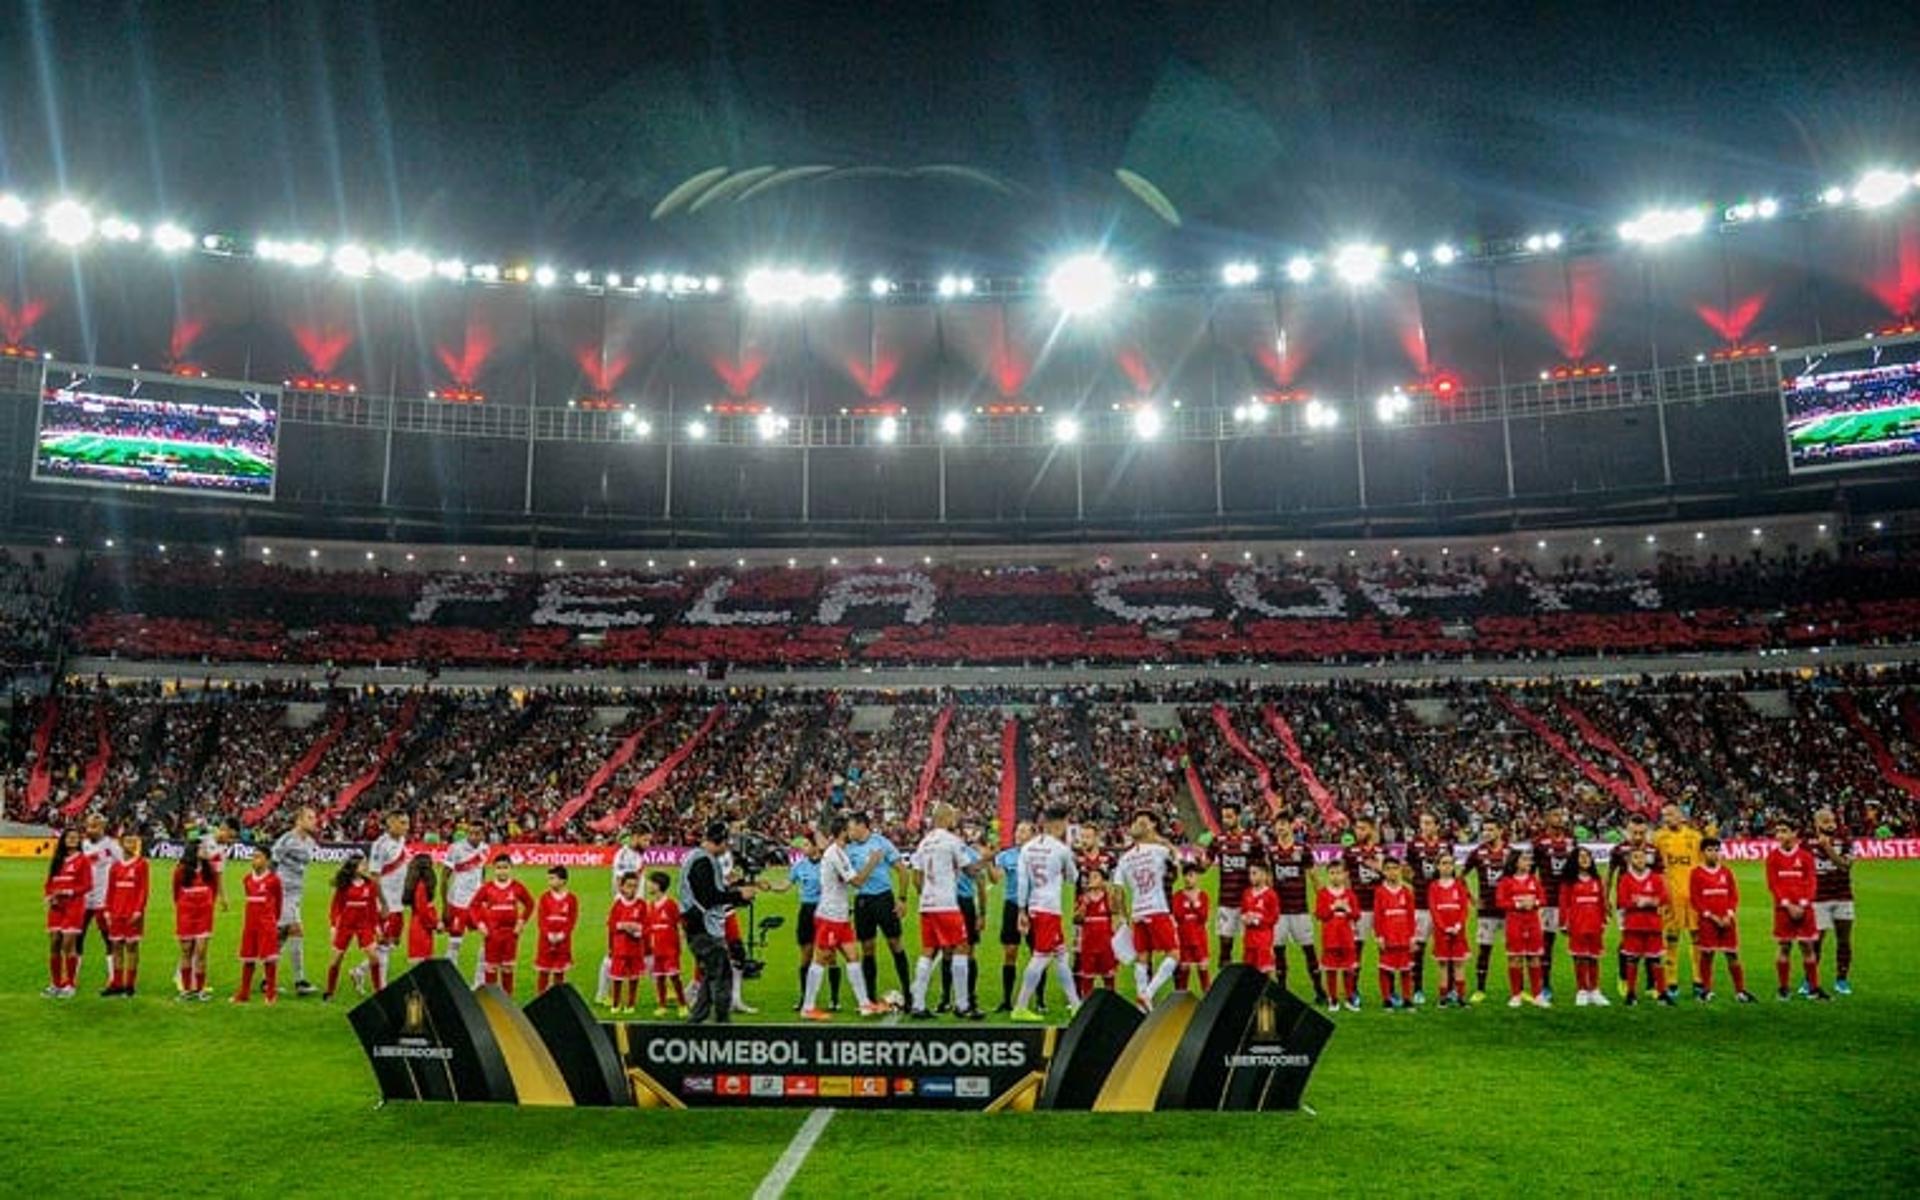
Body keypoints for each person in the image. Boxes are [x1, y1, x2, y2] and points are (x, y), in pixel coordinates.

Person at [799, 816, 887, 1020]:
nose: (852, 832)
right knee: (821, 959)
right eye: (849, 829)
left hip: (840, 915)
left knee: (853, 957)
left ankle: (865, 1004)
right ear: (842, 833)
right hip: (830, 915)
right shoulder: (835, 853)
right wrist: (872, 862)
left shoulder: (838, 852)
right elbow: (856, 882)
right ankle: (808, 1007)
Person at [683, 820, 764, 1024]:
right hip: (704, 926)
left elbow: (712, 891)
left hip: (699, 925)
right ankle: (722, 1022)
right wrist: (738, 895)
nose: (727, 848)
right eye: (726, 843)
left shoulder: (699, 858)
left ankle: (697, 1019)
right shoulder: (703, 861)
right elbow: (709, 897)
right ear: (719, 841)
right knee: (722, 975)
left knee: (711, 974)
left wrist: (740, 889)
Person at [908, 802, 982, 1020]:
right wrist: (987, 858)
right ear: (947, 818)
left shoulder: (924, 842)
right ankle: (962, 1004)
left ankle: (918, 1004)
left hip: (927, 905)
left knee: (928, 950)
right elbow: (970, 870)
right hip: (946, 904)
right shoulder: (952, 841)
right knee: (962, 947)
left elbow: (916, 876)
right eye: (953, 817)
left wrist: (926, 895)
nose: (955, 821)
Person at [1011, 805, 1081, 1022]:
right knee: (1040, 957)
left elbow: (1022, 882)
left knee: (1061, 955)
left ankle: (1076, 1004)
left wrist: (1022, 910)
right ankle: (1020, 1006)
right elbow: (1073, 877)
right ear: (1058, 824)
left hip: (1034, 905)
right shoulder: (1061, 849)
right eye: (1066, 824)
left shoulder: (1027, 848)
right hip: (1050, 908)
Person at [1116, 809, 1182, 1011]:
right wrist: (1162, 841)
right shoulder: (1158, 851)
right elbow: (1177, 862)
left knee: (1142, 956)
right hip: (1157, 909)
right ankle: (1148, 994)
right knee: (1174, 953)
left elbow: (1117, 891)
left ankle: (1142, 1005)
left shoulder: (1125, 859)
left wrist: (1121, 916)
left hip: (1137, 912)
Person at [845, 811, 912, 1005]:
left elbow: (902, 870)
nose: (849, 831)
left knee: (895, 944)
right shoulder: (849, 849)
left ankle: (908, 993)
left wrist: (902, 899)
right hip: (862, 902)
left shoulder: (881, 843)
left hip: (883, 899)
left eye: (851, 827)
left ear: (862, 826)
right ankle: (870, 996)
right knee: (867, 948)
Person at [1765, 824, 1828, 1001]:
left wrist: (1803, 904)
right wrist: (1788, 905)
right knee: (1784, 946)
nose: (1779, 835)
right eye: (1777, 831)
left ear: (1794, 833)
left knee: (1807, 947)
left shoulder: (1806, 857)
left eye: (1784, 831)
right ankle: (1783, 989)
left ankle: (1814, 989)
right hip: (1783, 910)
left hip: (1804, 909)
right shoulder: (1773, 858)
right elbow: (1773, 884)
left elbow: (1811, 882)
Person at [1690, 837, 1755, 1003]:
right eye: (1710, 850)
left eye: (1717, 850)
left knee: (1732, 954)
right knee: (1707, 954)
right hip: (1707, 921)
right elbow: (1696, 899)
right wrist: (1711, 916)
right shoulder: (1696, 873)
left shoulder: (1726, 872)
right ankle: (1706, 990)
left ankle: (1740, 991)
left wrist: (1729, 914)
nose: (1714, 853)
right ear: (1702, 853)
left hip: (1727, 920)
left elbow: (1733, 896)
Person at [1652, 803, 1706, 1000]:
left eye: (1671, 814)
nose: (1667, 818)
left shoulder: (1695, 837)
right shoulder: (1658, 838)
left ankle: (1699, 981)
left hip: (1693, 896)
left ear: (1681, 816)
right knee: (1671, 939)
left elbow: (1703, 868)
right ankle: (1671, 982)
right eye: (1664, 815)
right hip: (1670, 897)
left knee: (1697, 938)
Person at [1607, 816, 1663, 998]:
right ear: (1628, 831)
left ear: (1646, 832)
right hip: (1626, 905)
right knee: (1627, 941)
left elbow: (1661, 878)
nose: (1638, 836)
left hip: (1650, 904)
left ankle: (1651, 984)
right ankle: (1623, 979)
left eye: (1641, 833)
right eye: (1634, 833)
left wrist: (1662, 901)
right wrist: (1606, 898)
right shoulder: (1619, 850)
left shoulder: (1653, 850)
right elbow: (1609, 875)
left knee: (1652, 942)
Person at [1269, 822, 1324, 1002]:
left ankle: (1319, 990)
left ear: (1290, 827)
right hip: (1279, 911)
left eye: (1283, 825)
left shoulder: (1303, 849)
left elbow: (1314, 877)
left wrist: (1323, 901)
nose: (1280, 828)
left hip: (1300, 909)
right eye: (1278, 826)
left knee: (1309, 949)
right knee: (1279, 950)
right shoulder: (1271, 850)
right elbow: (1269, 879)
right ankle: (1282, 989)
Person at [272, 805, 322, 997]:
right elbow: (273, 861)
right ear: (299, 820)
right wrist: (270, 889)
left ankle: (267, 977)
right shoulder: (287, 839)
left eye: (314, 817)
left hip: (295, 894)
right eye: (310, 817)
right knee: (296, 931)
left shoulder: (310, 842)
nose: (314, 821)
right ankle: (300, 981)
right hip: (283, 892)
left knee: (281, 937)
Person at [1208, 801, 1266, 966]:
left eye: (1229, 816)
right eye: (1224, 817)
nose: (1226, 820)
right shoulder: (1218, 840)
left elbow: (1263, 867)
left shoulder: (1253, 840)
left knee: (1251, 943)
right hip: (1226, 900)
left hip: (1249, 901)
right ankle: (1225, 981)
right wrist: (1193, 864)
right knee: (1225, 943)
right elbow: (1205, 864)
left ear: (1238, 817)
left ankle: (1251, 979)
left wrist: (1265, 892)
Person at [595, 827, 648, 1005]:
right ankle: (604, 993)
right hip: (625, 908)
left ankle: (614, 993)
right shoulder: (624, 855)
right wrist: (625, 909)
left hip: (636, 908)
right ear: (635, 836)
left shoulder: (637, 855)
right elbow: (621, 883)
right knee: (614, 952)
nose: (647, 844)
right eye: (645, 840)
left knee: (641, 950)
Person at [1402, 811, 1450, 1005]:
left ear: (1437, 825)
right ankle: (1417, 989)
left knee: (1447, 948)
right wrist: (1417, 882)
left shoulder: (1446, 845)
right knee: (1418, 947)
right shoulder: (1413, 845)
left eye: (1429, 823)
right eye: (1422, 823)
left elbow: (1450, 872)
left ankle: (1450, 989)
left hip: (1443, 904)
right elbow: (1405, 870)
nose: (1425, 826)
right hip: (1421, 904)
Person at [1615, 845, 1671, 1006]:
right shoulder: (1626, 879)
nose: (1640, 860)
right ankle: (1631, 993)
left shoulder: (1654, 877)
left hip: (1653, 925)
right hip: (1633, 925)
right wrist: (1638, 902)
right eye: (1636, 857)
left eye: (1642, 857)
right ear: (1630, 860)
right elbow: (1622, 901)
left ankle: (1662, 993)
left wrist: (1652, 901)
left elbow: (1664, 897)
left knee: (1655, 960)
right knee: (1632, 959)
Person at [472, 853, 536, 996]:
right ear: (494, 869)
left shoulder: (517, 887)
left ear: (510, 868)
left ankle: (508, 1000)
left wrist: (521, 921)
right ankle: (491, 1000)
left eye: (505, 867)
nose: (502, 871)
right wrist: (480, 924)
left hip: (510, 935)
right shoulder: (487, 887)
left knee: (507, 968)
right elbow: (474, 906)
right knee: (491, 968)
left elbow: (530, 904)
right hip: (492, 934)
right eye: (499, 868)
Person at [1531, 809, 1578, 1001]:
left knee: (1578, 944)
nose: (1561, 818)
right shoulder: (1539, 843)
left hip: (1570, 902)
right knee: (1546, 944)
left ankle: (1584, 986)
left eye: (1562, 815)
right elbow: (1530, 873)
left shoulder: (1571, 841)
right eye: (1556, 815)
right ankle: (1545, 985)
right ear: (1547, 818)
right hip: (1548, 902)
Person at [362, 812, 412, 993]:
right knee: (383, 943)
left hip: (398, 901)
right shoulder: (380, 845)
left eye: (407, 823)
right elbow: (374, 876)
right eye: (403, 823)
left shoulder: (402, 841)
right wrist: (382, 903)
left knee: (392, 943)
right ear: (391, 823)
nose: (407, 827)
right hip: (385, 902)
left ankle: (360, 971)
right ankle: (381, 987)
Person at [1809, 808, 1855, 995]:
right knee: (1816, 942)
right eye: (1826, 821)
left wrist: (1827, 848)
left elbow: (1845, 866)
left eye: (1832, 821)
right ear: (1817, 824)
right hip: (1818, 898)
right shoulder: (1807, 844)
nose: (1831, 824)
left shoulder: (1845, 840)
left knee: (1843, 940)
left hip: (1843, 896)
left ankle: (1842, 980)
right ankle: (1810, 980)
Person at [77, 812, 126, 989]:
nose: (91, 829)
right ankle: (72, 980)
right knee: (77, 938)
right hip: (83, 899)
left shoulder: (111, 846)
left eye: (95, 826)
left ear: (102, 827)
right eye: (89, 826)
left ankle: (114, 979)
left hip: (104, 900)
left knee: (109, 938)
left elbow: (123, 866)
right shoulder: (82, 845)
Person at [324, 852, 381, 1001]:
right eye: (363, 864)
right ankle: (329, 992)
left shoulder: (370, 885)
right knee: (336, 960)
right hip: (345, 926)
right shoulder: (344, 885)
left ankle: (378, 991)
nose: (366, 866)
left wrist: (376, 927)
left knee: (374, 958)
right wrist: (333, 926)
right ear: (355, 867)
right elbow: (335, 907)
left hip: (364, 926)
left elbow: (373, 908)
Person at [1496, 849, 1549, 1008]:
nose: (1528, 863)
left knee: (1534, 957)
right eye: (1524, 860)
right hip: (1514, 922)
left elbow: (1543, 899)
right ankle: (1516, 995)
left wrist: (1535, 904)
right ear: (1515, 862)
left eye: (1528, 860)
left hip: (1533, 922)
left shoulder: (1534, 880)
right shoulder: (1506, 881)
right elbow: (1500, 902)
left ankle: (1537, 995)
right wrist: (1518, 904)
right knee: (1515, 958)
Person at [440, 822, 490, 989]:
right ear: (467, 833)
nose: (475, 836)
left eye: (478, 833)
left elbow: (482, 870)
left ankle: (479, 982)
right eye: (472, 833)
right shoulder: (455, 848)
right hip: (458, 902)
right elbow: (444, 877)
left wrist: (484, 892)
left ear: (483, 834)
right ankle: (449, 982)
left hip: (477, 903)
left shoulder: (485, 848)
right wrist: (445, 905)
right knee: (455, 942)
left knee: (488, 938)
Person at [991, 821, 1035, 1012]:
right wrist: (988, 861)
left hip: (1034, 906)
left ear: (1033, 835)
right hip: (1012, 905)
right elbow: (995, 878)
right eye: (1017, 830)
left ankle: (1039, 1001)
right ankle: (1006, 1000)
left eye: (1024, 831)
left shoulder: (1038, 856)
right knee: (1010, 952)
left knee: (1037, 954)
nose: (1019, 833)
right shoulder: (1006, 856)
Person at [1465, 820, 1510, 1004]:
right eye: (1484, 829)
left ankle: (1518, 990)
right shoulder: (1477, 853)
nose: (1487, 832)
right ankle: (1480, 989)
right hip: (1487, 911)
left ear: (1500, 830)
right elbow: (1460, 876)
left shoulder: (1511, 852)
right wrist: (1473, 899)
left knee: (1515, 952)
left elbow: (1522, 876)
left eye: (1491, 829)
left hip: (1509, 911)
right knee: (1484, 950)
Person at [234, 845, 284, 1004]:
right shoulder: (247, 879)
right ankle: (244, 994)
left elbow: (279, 903)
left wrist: (273, 921)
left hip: (266, 925)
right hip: (250, 925)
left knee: (269, 959)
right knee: (248, 959)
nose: (254, 860)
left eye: (258, 856)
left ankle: (270, 994)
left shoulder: (274, 880)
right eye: (253, 856)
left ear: (267, 860)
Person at [43, 828, 89, 999]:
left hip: (73, 907)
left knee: (68, 945)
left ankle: (69, 984)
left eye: (76, 837)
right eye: (69, 837)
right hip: (56, 908)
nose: (72, 840)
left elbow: (86, 885)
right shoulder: (57, 860)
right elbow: (49, 882)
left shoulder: (82, 860)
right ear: (63, 839)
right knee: (54, 943)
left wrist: (67, 892)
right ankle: (55, 984)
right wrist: (49, 896)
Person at [102, 830, 149, 998]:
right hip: (116, 912)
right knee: (116, 947)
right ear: (122, 844)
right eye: (129, 841)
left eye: (134, 842)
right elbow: (111, 890)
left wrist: (138, 910)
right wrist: (107, 910)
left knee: (131, 947)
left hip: (133, 913)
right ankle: (117, 983)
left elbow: (143, 889)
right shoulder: (115, 866)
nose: (132, 845)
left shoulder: (142, 864)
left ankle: (130, 985)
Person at [1563, 848, 1611, 1007]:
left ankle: (1595, 991)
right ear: (1574, 860)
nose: (1585, 859)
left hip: (1595, 924)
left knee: (1594, 958)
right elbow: (1564, 904)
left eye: (1588, 856)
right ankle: (1582, 990)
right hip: (1577, 925)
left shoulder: (1597, 880)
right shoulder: (1569, 882)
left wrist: (1604, 920)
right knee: (1580, 958)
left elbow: (1602, 903)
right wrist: (1564, 923)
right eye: (1581, 857)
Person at [173, 837, 218, 1002]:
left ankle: (200, 990)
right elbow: (175, 892)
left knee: (201, 952)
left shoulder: (209, 869)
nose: (206, 850)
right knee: (186, 951)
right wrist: (184, 907)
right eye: (202, 848)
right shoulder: (181, 870)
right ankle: (186, 990)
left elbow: (214, 888)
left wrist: (208, 904)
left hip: (204, 915)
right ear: (194, 851)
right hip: (186, 914)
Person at [788, 835, 830, 1011]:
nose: (803, 848)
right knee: (805, 955)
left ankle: (834, 999)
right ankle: (804, 997)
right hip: (806, 911)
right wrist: (771, 887)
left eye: (806, 844)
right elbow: (787, 883)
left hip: (824, 911)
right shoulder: (799, 865)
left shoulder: (827, 863)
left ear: (815, 847)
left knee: (828, 956)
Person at [1426, 853, 1472, 1007]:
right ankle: (1443, 998)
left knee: (1459, 963)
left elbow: (1465, 908)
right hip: (1441, 931)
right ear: (1438, 866)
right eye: (1443, 863)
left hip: (1458, 931)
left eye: (1449, 863)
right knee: (1443, 964)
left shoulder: (1459, 885)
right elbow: (1433, 909)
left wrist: (1458, 925)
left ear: (1453, 866)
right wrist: (1444, 927)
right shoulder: (1433, 886)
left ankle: (1460, 997)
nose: (1446, 866)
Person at [1339, 817, 1387, 966]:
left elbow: (1393, 877)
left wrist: (1380, 867)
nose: (1358, 832)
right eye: (1357, 828)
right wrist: (1348, 901)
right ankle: (1353, 989)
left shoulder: (1382, 851)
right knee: (1356, 949)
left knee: (1385, 949)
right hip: (1359, 907)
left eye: (1363, 828)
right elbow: (1344, 878)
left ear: (1372, 830)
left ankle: (1389, 989)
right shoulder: (1349, 851)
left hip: (1381, 908)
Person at [1315, 861, 1360, 1013]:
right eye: (1332, 873)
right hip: (1330, 938)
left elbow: (1356, 915)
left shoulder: (1349, 894)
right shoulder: (1323, 894)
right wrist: (1333, 907)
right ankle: (1333, 999)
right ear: (1328, 875)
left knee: (1348, 969)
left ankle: (1349, 998)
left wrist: (1347, 909)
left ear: (1345, 875)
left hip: (1347, 938)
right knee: (1331, 970)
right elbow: (1320, 915)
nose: (1336, 876)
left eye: (1339, 873)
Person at [1372, 858, 1417, 1011]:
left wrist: (1412, 936)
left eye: (1395, 868)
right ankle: (1386, 1000)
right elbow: (1378, 916)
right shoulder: (1380, 892)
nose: (1392, 872)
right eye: (1388, 868)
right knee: (1385, 969)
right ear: (1384, 872)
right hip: (1388, 936)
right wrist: (1379, 936)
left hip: (1404, 936)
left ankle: (1407, 999)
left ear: (1400, 870)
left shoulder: (1407, 891)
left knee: (1406, 969)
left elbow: (1411, 915)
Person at [644, 871, 688, 1016]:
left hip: (670, 948)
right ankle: (662, 1005)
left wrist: (680, 943)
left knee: (674, 976)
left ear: (658, 885)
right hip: (657, 948)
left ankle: (682, 1004)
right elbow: (649, 927)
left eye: (650, 882)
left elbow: (680, 924)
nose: (648, 885)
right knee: (659, 977)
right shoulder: (651, 905)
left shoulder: (670, 904)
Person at [1073, 862, 1120, 995]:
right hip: (1088, 942)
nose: (1091, 879)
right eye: (1090, 877)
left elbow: (1116, 914)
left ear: (1103, 880)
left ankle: (1110, 1002)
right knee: (1087, 977)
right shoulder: (1083, 897)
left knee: (1109, 977)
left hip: (1106, 943)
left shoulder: (1108, 896)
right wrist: (1083, 906)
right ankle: (1086, 1004)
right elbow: (1076, 919)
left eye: (1095, 876)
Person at [605, 872, 648, 1014]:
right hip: (620, 947)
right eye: (629, 886)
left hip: (635, 948)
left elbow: (646, 925)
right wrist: (623, 926)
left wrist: (637, 930)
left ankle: (631, 1004)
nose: (632, 889)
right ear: (622, 887)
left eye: (635, 886)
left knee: (634, 976)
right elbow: (611, 925)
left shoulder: (641, 905)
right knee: (617, 976)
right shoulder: (617, 905)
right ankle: (616, 1003)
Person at [535, 866, 579, 994]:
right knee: (543, 971)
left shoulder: (572, 899)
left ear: (563, 881)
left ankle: (557, 998)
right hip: (545, 940)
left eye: (553, 878)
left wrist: (563, 934)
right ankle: (540, 998)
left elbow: (572, 919)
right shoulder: (544, 897)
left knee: (559, 972)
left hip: (563, 941)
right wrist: (548, 934)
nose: (549, 882)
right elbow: (541, 919)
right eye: (549, 878)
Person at [1172, 863, 1213, 993]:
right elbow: (1178, 916)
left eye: (1191, 875)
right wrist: (1191, 906)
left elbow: (1203, 917)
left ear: (1197, 877)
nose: (1187, 878)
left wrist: (1194, 904)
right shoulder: (1178, 896)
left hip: (1199, 938)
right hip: (1184, 938)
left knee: (1203, 966)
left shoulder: (1203, 896)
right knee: (1184, 967)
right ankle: (1181, 998)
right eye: (1185, 875)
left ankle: (1207, 995)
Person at [1241, 862, 1281, 984]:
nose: (1251, 877)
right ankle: (1253, 999)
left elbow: (1274, 918)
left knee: (1266, 970)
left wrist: (1258, 921)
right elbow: (1243, 911)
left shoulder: (1271, 895)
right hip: (1249, 939)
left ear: (1264, 875)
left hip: (1263, 940)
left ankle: (1270, 999)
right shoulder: (1247, 893)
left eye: (1254, 873)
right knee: (1249, 972)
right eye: (1250, 874)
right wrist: (1244, 918)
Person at [404, 854, 439, 966]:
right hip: (421, 929)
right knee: (423, 968)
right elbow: (423, 912)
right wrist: (435, 924)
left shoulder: (417, 885)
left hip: (419, 926)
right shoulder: (421, 887)